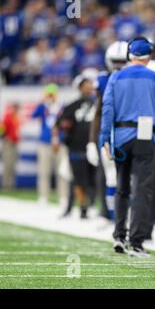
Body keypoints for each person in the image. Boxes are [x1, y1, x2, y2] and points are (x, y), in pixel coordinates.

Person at [100, 37, 155, 258]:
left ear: (130, 55)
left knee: (122, 187)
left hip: (121, 136)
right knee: (143, 189)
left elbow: (107, 110)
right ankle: (137, 241)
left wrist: (104, 138)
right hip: (144, 135)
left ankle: (119, 236)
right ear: (149, 56)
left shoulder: (115, 77)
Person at [86, 40, 129, 222]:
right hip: (110, 132)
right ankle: (110, 215)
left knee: (131, 176)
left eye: (122, 61)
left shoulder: (137, 77)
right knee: (108, 175)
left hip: (129, 131)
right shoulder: (103, 80)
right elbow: (98, 111)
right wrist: (91, 140)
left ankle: (129, 215)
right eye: (115, 61)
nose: (118, 66)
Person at [54, 78, 97, 219]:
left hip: (94, 147)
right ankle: (82, 207)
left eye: (91, 86)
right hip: (76, 147)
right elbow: (59, 124)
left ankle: (92, 205)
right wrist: (61, 133)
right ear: (80, 88)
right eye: (86, 86)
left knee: (93, 179)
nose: (89, 89)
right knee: (78, 179)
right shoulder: (72, 106)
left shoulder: (97, 104)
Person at [31, 84, 69, 208]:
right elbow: (33, 115)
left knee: (62, 172)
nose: (50, 96)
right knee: (44, 171)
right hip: (45, 143)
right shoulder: (43, 107)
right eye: (48, 94)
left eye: (52, 94)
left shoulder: (62, 106)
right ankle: (43, 196)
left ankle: (63, 197)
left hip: (60, 143)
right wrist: (43, 103)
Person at [1, 103, 20, 189]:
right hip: (8, 143)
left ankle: (11, 185)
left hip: (15, 143)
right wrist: (5, 137)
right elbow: (1, 129)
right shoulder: (7, 116)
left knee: (13, 165)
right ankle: (6, 185)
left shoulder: (16, 118)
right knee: (7, 164)